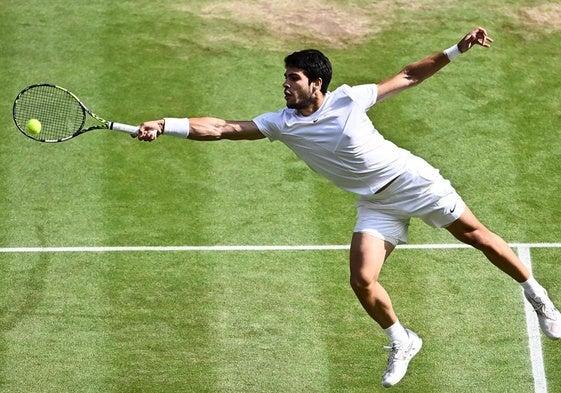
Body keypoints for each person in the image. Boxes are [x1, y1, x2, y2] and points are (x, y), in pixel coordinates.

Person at [135, 27, 560, 388]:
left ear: (316, 84)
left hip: (413, 182)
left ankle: (540, 299)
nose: (285, 85)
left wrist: (456, 49)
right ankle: (402, 339)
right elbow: (222, 128)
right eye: (285, 77)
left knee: (479, 239)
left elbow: (410, 75)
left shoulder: (348, 99)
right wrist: (164, 124)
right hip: (375, 203)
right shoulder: (280, 123)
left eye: (294, 78)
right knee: (362, 280)